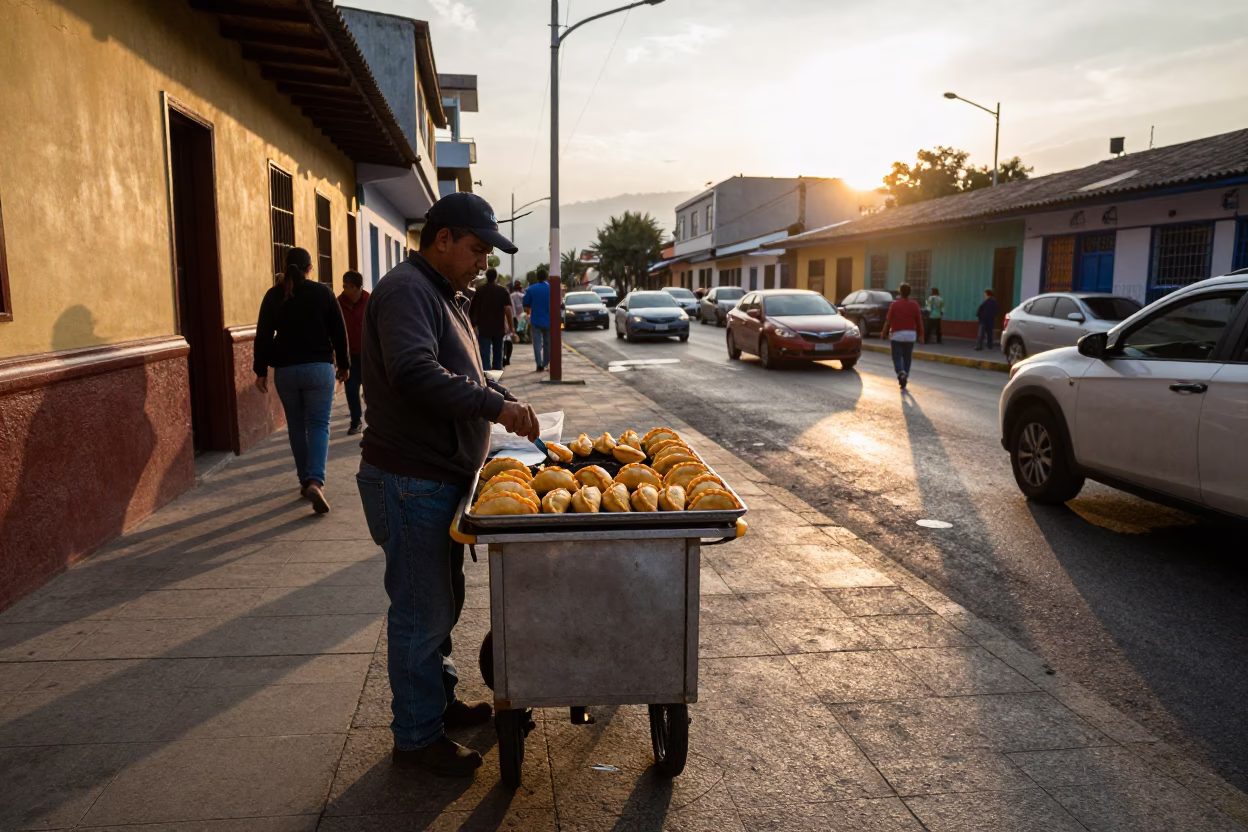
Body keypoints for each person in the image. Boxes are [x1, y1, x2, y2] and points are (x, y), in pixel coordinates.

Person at [355, 192, 540, 778]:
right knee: (420, 612)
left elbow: (459, 371)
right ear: (443, 239)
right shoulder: (409, 290)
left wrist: (500, 395)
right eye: (478, 248)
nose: (484, 261)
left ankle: (437, 703)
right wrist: (491, 405)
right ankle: (415, 738)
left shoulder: (442, 292)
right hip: (410, 481)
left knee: (444, 603)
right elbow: (413, 373)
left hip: (436, 480)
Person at [254, 247, 350, 513]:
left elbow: (263, 334)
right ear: (310, 268)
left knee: (296, 426)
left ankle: (303, 480)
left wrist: (260, 370)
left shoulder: (274, 295)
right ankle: (315, 481)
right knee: (319, 424)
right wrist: (344, 365)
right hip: (319, 367)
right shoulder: (323, 293)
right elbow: (339, 332)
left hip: (286, 370)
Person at [337, 270, 369, 435]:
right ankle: (356, 421)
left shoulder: (370, 301)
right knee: (351, 390)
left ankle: (374, 421)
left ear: (357, 288)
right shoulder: (338, 303)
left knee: (371, 390)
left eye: (346, 287)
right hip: (350, 357)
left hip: (369, 356)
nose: (343, 290)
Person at [880, 282, 924, 390]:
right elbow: (919, 321)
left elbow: (888, 320)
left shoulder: (895, 304)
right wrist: (922, 335)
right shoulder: (914, 304)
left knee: (896, 357)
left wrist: (884, 332)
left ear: (900, 292)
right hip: (910, 335)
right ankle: (905, 375)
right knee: (907, 357)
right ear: (909, 293)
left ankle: (901, 373)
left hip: (897, 334)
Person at [468, 267, 513, 371]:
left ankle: (486, 376)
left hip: (484, 328)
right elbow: (507, 310)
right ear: (495, 278)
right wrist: (511, 327)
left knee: (485, 354)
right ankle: (496, 376)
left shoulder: (479, 291)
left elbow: (473, 308)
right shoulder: (502, 291)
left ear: (486, 277)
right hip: (499, 327)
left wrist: (473, 324)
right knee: (498, 354)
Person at [522, 274, 551, 372]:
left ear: (537, 278)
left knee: (537, 344)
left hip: (536, 320)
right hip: (549, 320)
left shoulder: (531, 288)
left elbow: (525, 303)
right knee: (548, 343)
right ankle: (546, 364)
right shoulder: (551, 288)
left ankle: (539, 364)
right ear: (547, 277)